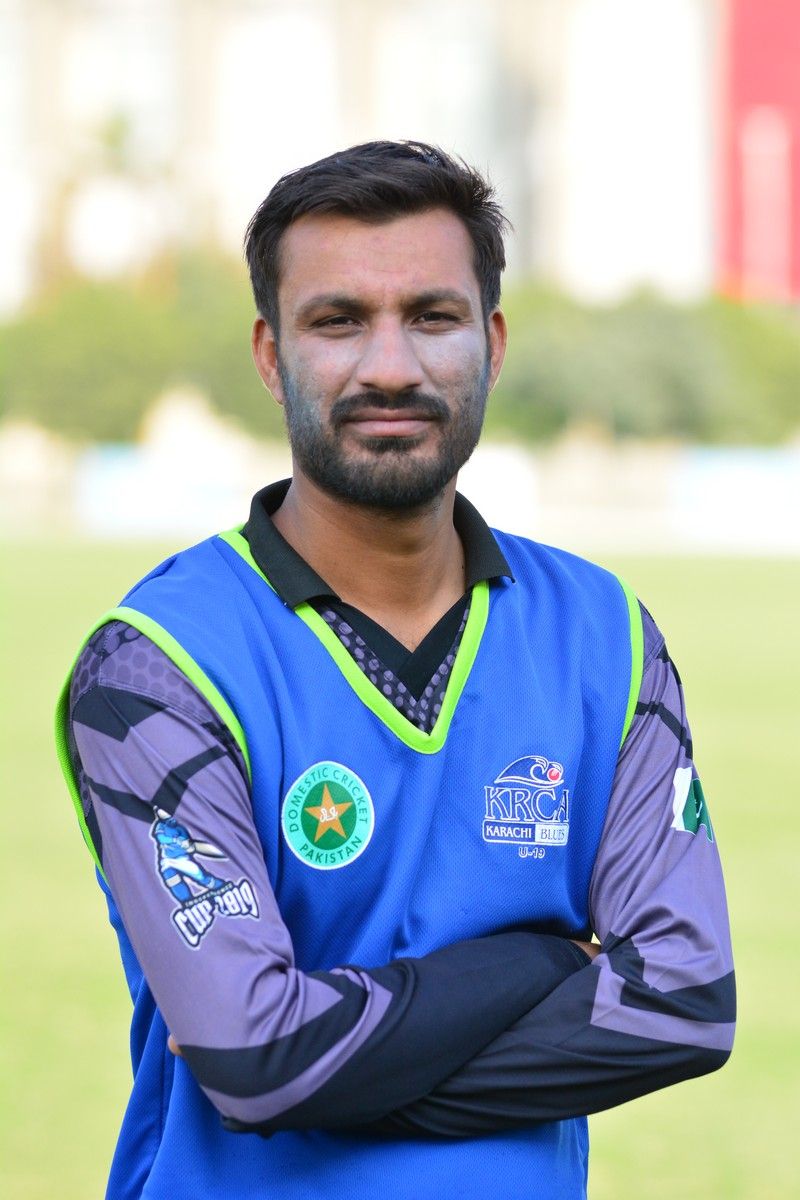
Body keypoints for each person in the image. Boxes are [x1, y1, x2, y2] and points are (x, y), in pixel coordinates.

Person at [56, 141, 735, 1200]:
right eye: (337, 321)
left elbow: (683, 1003)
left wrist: (313, 1069)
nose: (388, 367)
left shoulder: (605, 635)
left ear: (491, 344)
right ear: (272, 354)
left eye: (431, 316)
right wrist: (544, 962)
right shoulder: (153, 667)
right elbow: (252, 1055)